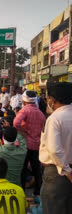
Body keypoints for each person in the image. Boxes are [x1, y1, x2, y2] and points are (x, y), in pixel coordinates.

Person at [39, 82, 72, 214]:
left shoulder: (55, 118)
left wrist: (68, 172)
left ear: (53, 100)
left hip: (58, 173)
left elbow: (54, 149)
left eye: (48, 98)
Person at [13, 90, 45, 196]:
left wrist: (23, 132)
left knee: (23, 168)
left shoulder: (25, 110)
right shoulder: (40, 113)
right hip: (37, 144)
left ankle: (22, 191)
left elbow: (16, 123)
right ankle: (37, 192)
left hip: (25, 144)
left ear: (24, 100)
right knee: (36, 168)